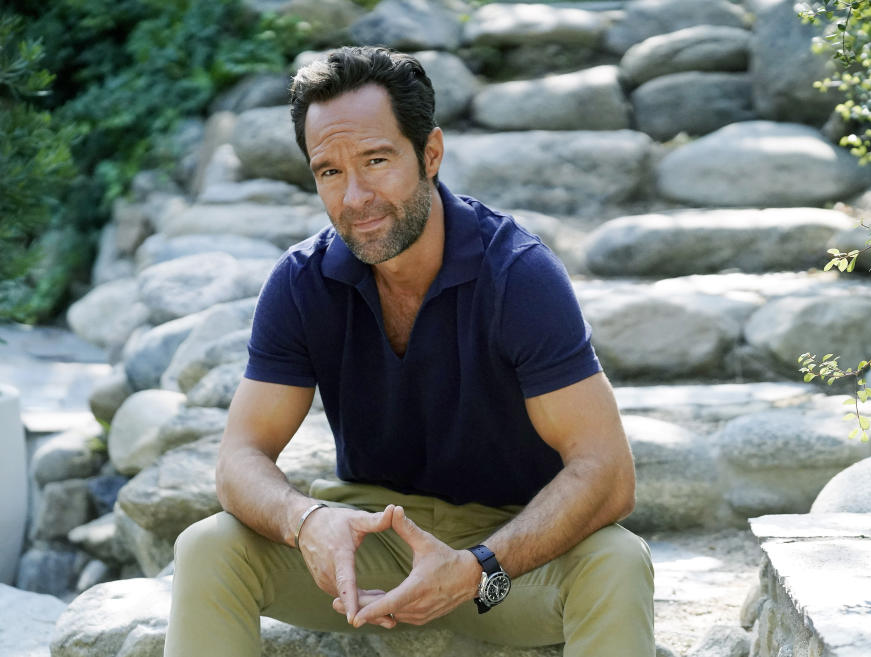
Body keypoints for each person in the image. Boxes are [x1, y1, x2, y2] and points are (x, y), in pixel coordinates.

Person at [163, 46, 654, 657]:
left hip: (505, 564)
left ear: (431, 154)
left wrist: (477, 566)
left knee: (618, 561)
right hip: (372, 548)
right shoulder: (301, 281)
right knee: (209, 547)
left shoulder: (519, 276)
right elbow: (239, 457)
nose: (355, 197)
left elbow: (607, 474)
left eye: (376, 160)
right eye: (330, 172)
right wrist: (306, 520)